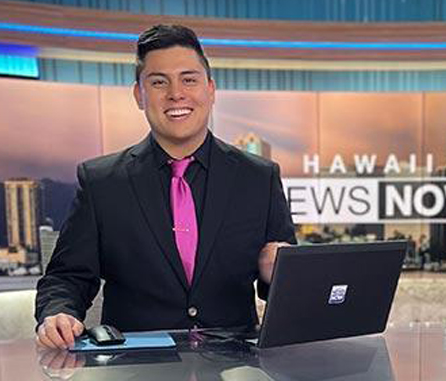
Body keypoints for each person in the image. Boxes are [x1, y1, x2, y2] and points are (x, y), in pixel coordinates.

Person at [34, 24, 296, 350]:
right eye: (159, 82)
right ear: (138, 95)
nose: (176, 93)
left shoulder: (259, 177)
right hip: (136, 366)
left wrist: (279, 274)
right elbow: (67, 276)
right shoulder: (101, 182)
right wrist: (58, 312)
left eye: (189, 79)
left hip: (236, 365)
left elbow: (288, 294)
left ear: (210, 90)